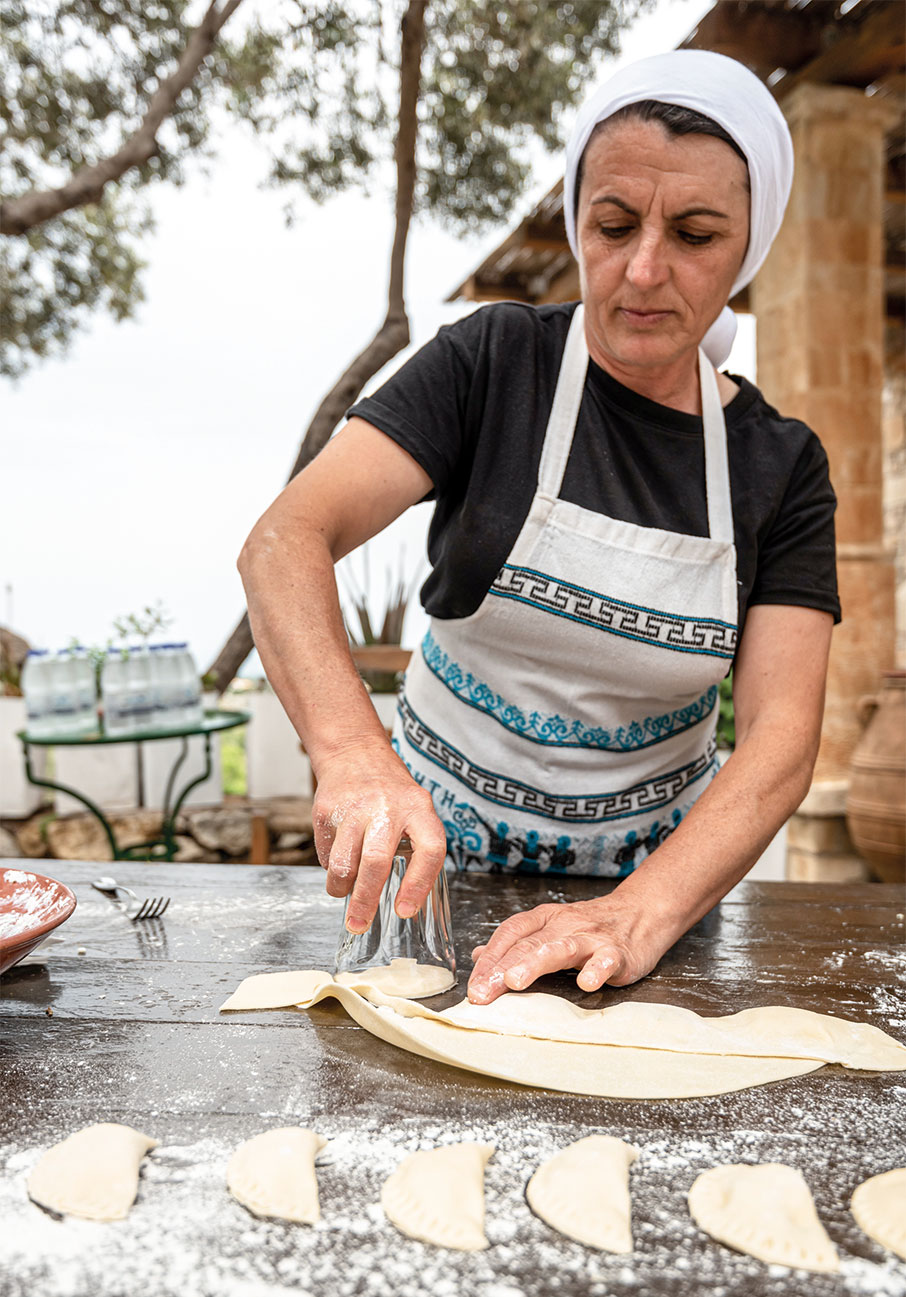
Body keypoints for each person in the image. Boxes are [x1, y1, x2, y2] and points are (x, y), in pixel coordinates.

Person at [238, 50, 840, 1007]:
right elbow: (284, 541)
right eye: (612, 224)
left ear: (748, 246)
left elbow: (781, 737)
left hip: (654, 900)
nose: (644, 268)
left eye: (694, 234)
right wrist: (352, 754)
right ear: (579, 220)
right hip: (430, 879)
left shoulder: (779, 464)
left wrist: (640, 913)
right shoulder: (493, 364)